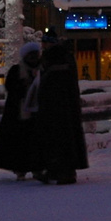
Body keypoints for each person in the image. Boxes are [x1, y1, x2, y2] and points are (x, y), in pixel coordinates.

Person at [33, 30, 88, 184]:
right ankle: (64, 170)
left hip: (54, 105)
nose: (42, 45)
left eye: (45, 42)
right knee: (66, 137)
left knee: (56, 138)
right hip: (65, 105)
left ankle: (57, 170)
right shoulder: (65, 56)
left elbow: (49, 81)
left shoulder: (53, 58)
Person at [0, 41, 41, 180]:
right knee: (20, 141)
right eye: (31, 56)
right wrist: (23, 88)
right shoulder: (17, 70)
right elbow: (11, 88)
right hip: (19, 111)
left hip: (37, 110)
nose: (33, 59)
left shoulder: (41, 70)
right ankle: (20, 168)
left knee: (36, 140)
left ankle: (37, 167)